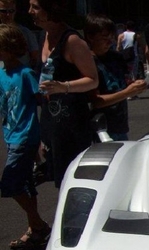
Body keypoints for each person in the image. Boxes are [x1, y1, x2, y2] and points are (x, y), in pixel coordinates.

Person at [29, 0, 99, 188]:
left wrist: (64, 86)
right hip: (52, 120)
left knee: (74, 181)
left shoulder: (71, 40)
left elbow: (93, 79)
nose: (30, 11)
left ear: (51, 9)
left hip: (72, 125)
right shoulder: (45, 35)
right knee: (59, 180)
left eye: (36, 6)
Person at [0, 24, 50, 250]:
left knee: (10, 185)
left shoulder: (26, 74)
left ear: (9, 48)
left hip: (25, 136)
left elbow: (44, 103)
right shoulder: (2, 74)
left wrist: (43, 139)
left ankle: (39, 225)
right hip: (10, 135)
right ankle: (35, 229)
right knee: (26, 185)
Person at [84, 13, 147, 141]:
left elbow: (126, 82)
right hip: (99, 129)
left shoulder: (116, 57)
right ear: (90, 37)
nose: (110, 41)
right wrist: (126, 93)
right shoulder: (87, 62)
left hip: (120, 125)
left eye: (112, 37)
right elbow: (95, 102)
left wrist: (136, 85)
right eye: (104, 38)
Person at [0, 0, 39, 69]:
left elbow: (35, 57)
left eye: (11, 11)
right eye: (4, 11)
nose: (8, 14)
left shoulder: (26, 32)